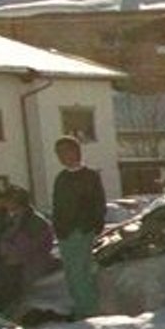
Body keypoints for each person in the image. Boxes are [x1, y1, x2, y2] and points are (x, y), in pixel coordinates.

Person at [0, 186, 57, 320]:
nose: (5, 204)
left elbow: (25, 247)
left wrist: (5, 252)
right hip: (15, 262)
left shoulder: (33, 221)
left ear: (16, 201)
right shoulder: (18, 218)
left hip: (29, 264)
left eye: (7, 200)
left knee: (0, 281)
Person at [51, 136, 107, 319]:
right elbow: (57, 206)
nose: (62, 156)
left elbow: (98, 203)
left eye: (66, 151)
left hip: (82, 230)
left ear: (76, 151)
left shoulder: (89, 176)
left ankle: (89, 309)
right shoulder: (61, 178)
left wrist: (91, 225)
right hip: (65, 233)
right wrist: (58, 228)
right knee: (70, 273)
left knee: (79, 271)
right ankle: (80, 306)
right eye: (58, 153)